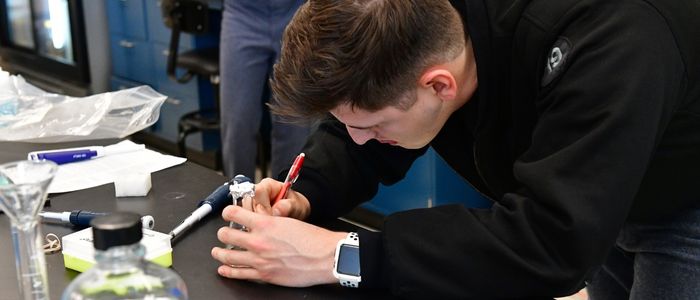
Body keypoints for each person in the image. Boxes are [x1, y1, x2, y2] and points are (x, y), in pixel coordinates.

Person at [211, 0, 700, 298]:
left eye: (374, 125)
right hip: (596, 184)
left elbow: (553, 242)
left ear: (439, 85)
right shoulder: (424, 27)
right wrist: (309, 190)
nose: (357, 137)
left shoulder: (611, 44)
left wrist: (338, 255)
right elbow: (368, 121)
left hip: (683, 195)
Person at [219, 0, 310, 178]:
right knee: (237, 122)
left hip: (296, 11)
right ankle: (236, 196)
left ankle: (284, 200)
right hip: (242, 13)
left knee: (294, 123)